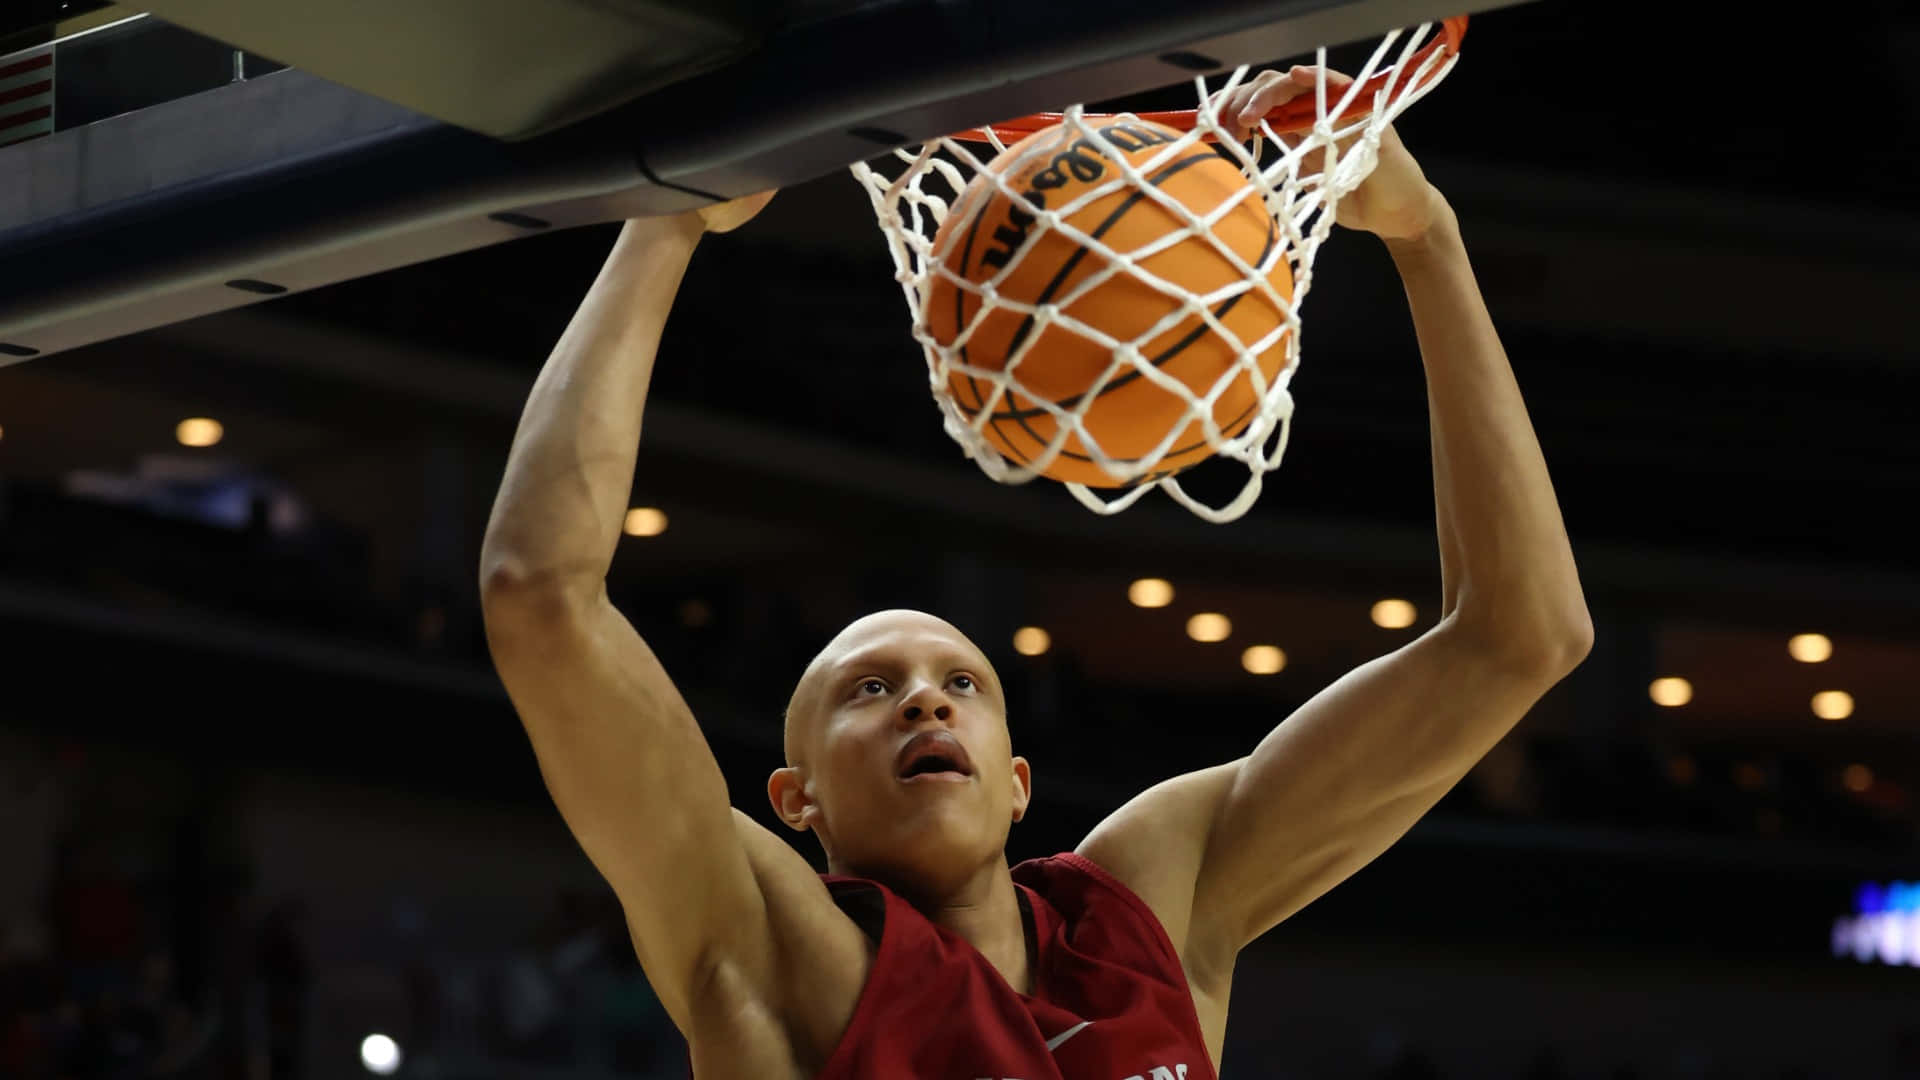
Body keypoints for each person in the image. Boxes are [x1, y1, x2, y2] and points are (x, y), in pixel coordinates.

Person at [479, 66, 1591, 1079]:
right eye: (869, 690)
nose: (923, 696)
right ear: (795, 800)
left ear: (1016, 782)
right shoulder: (776, 949)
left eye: (962, 684)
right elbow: (539, 592)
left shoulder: (1142, 906)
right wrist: (663, 234)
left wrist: (1426, 238)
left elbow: (1524, 636)